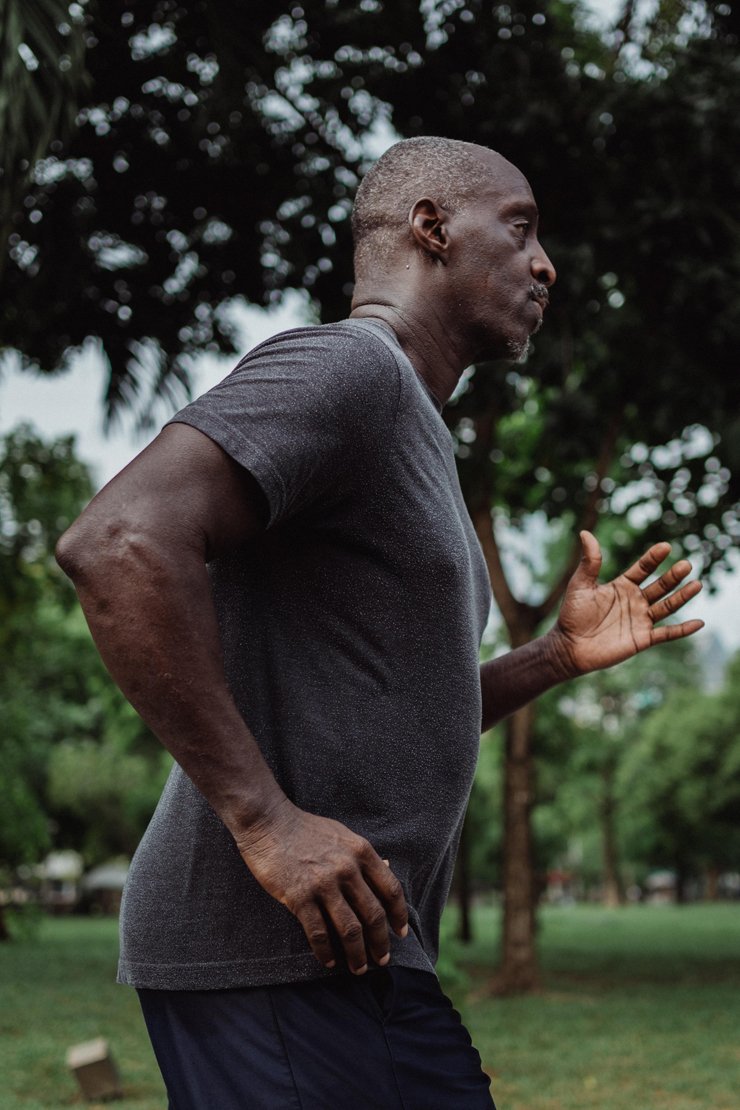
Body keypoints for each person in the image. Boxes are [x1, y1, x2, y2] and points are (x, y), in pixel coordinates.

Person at [56, 137, 703, 1109]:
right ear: (430, 227)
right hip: (267, 949)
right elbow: (118, 542)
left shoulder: (411, 425)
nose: (543, 264)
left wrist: (552, 657)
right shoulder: (347, 368)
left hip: (362, 951)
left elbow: (396, 705)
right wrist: (263, 820)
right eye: (518, 229)